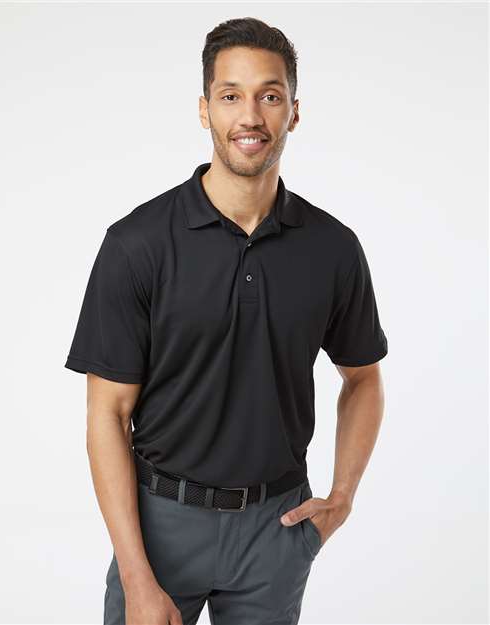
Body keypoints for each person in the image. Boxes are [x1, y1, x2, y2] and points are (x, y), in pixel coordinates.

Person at [65, 16, 388, 625]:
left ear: (294, 112)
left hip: (277, 529)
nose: (251, 116)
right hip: (160, 529)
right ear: (204, 109)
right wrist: (135, 576)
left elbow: (363, 377)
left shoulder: (332, 248)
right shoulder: (137, 244)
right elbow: (106, 414)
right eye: (231, 96)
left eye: (270, 96)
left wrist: (342, 497)